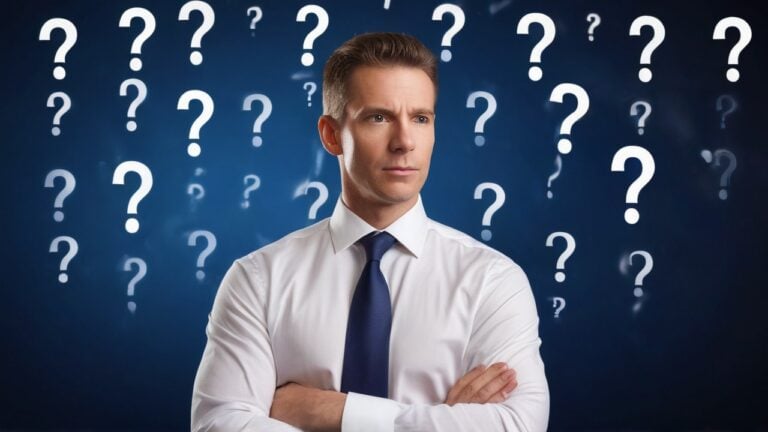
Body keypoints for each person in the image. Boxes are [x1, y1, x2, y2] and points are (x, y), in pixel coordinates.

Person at [191, 32, 549, 431]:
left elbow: (518, 425)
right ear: (331, 135)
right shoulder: (259, 280)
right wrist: (442, 419)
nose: (404, 142)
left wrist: (329, 413)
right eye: (378, 117)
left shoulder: (492, 281)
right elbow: (218, 424)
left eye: (420, 118)